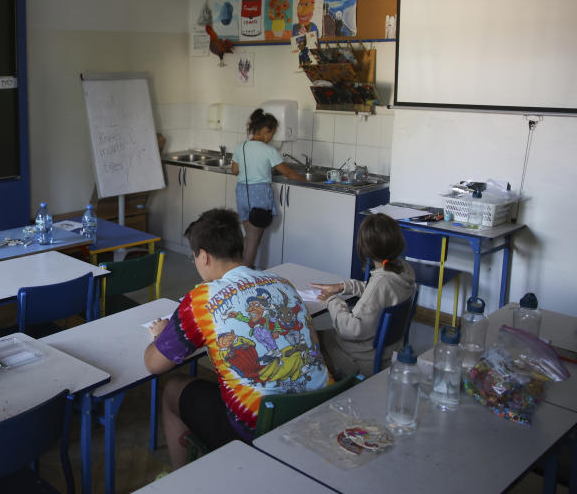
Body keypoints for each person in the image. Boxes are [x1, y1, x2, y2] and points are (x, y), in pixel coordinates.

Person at [144, 209, 330, 469]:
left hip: (258, 426)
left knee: (173, 388)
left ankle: (180, 479)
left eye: (193, 256)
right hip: (318, 406)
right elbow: (314, 343)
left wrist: (161, 335)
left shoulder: (201, 299)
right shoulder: (282, 282)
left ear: (204, 256)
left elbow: (154, 364)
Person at [309, 213, 416, 378]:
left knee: (308, 337)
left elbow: (351, 329)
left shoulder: (381, 283)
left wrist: (332, 301)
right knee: (319, 333)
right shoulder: (403, 269)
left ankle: (325, 385)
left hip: (360, 358)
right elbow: (378, 292)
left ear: (366, 248)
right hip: (386, 352)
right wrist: (343, 287)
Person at [231, 109, 303, 267]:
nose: (272, 137)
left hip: (242, 193)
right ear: (265, 130)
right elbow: (289, 173)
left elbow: (235, 170)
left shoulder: (241, 146)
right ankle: (244, 275)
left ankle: (238, 270)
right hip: (259, 195)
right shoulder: (269, 151)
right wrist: (306, 181)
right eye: (273, 133)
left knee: (249, 236)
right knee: (253, 239)